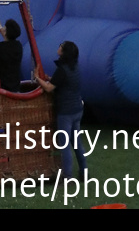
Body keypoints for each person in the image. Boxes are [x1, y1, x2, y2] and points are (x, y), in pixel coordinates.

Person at [35, 40, 87, 177]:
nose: (58, 47)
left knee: (64, 146)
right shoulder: (74, 66)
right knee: (77, 144)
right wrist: (50, 78)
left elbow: (49, 88)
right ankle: (84, 172)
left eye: (61, 47)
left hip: (66, 112)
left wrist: (37, 79)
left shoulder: (62, 69)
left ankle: (68, 177)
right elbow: (62, 82)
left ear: (64, 52)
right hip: (77, 109)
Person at [0, 16, 23, 92]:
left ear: (6, 31)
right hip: (15, 87)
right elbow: (8, 38)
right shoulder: (18, 46)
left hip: (4, 89)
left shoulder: (1, 47)